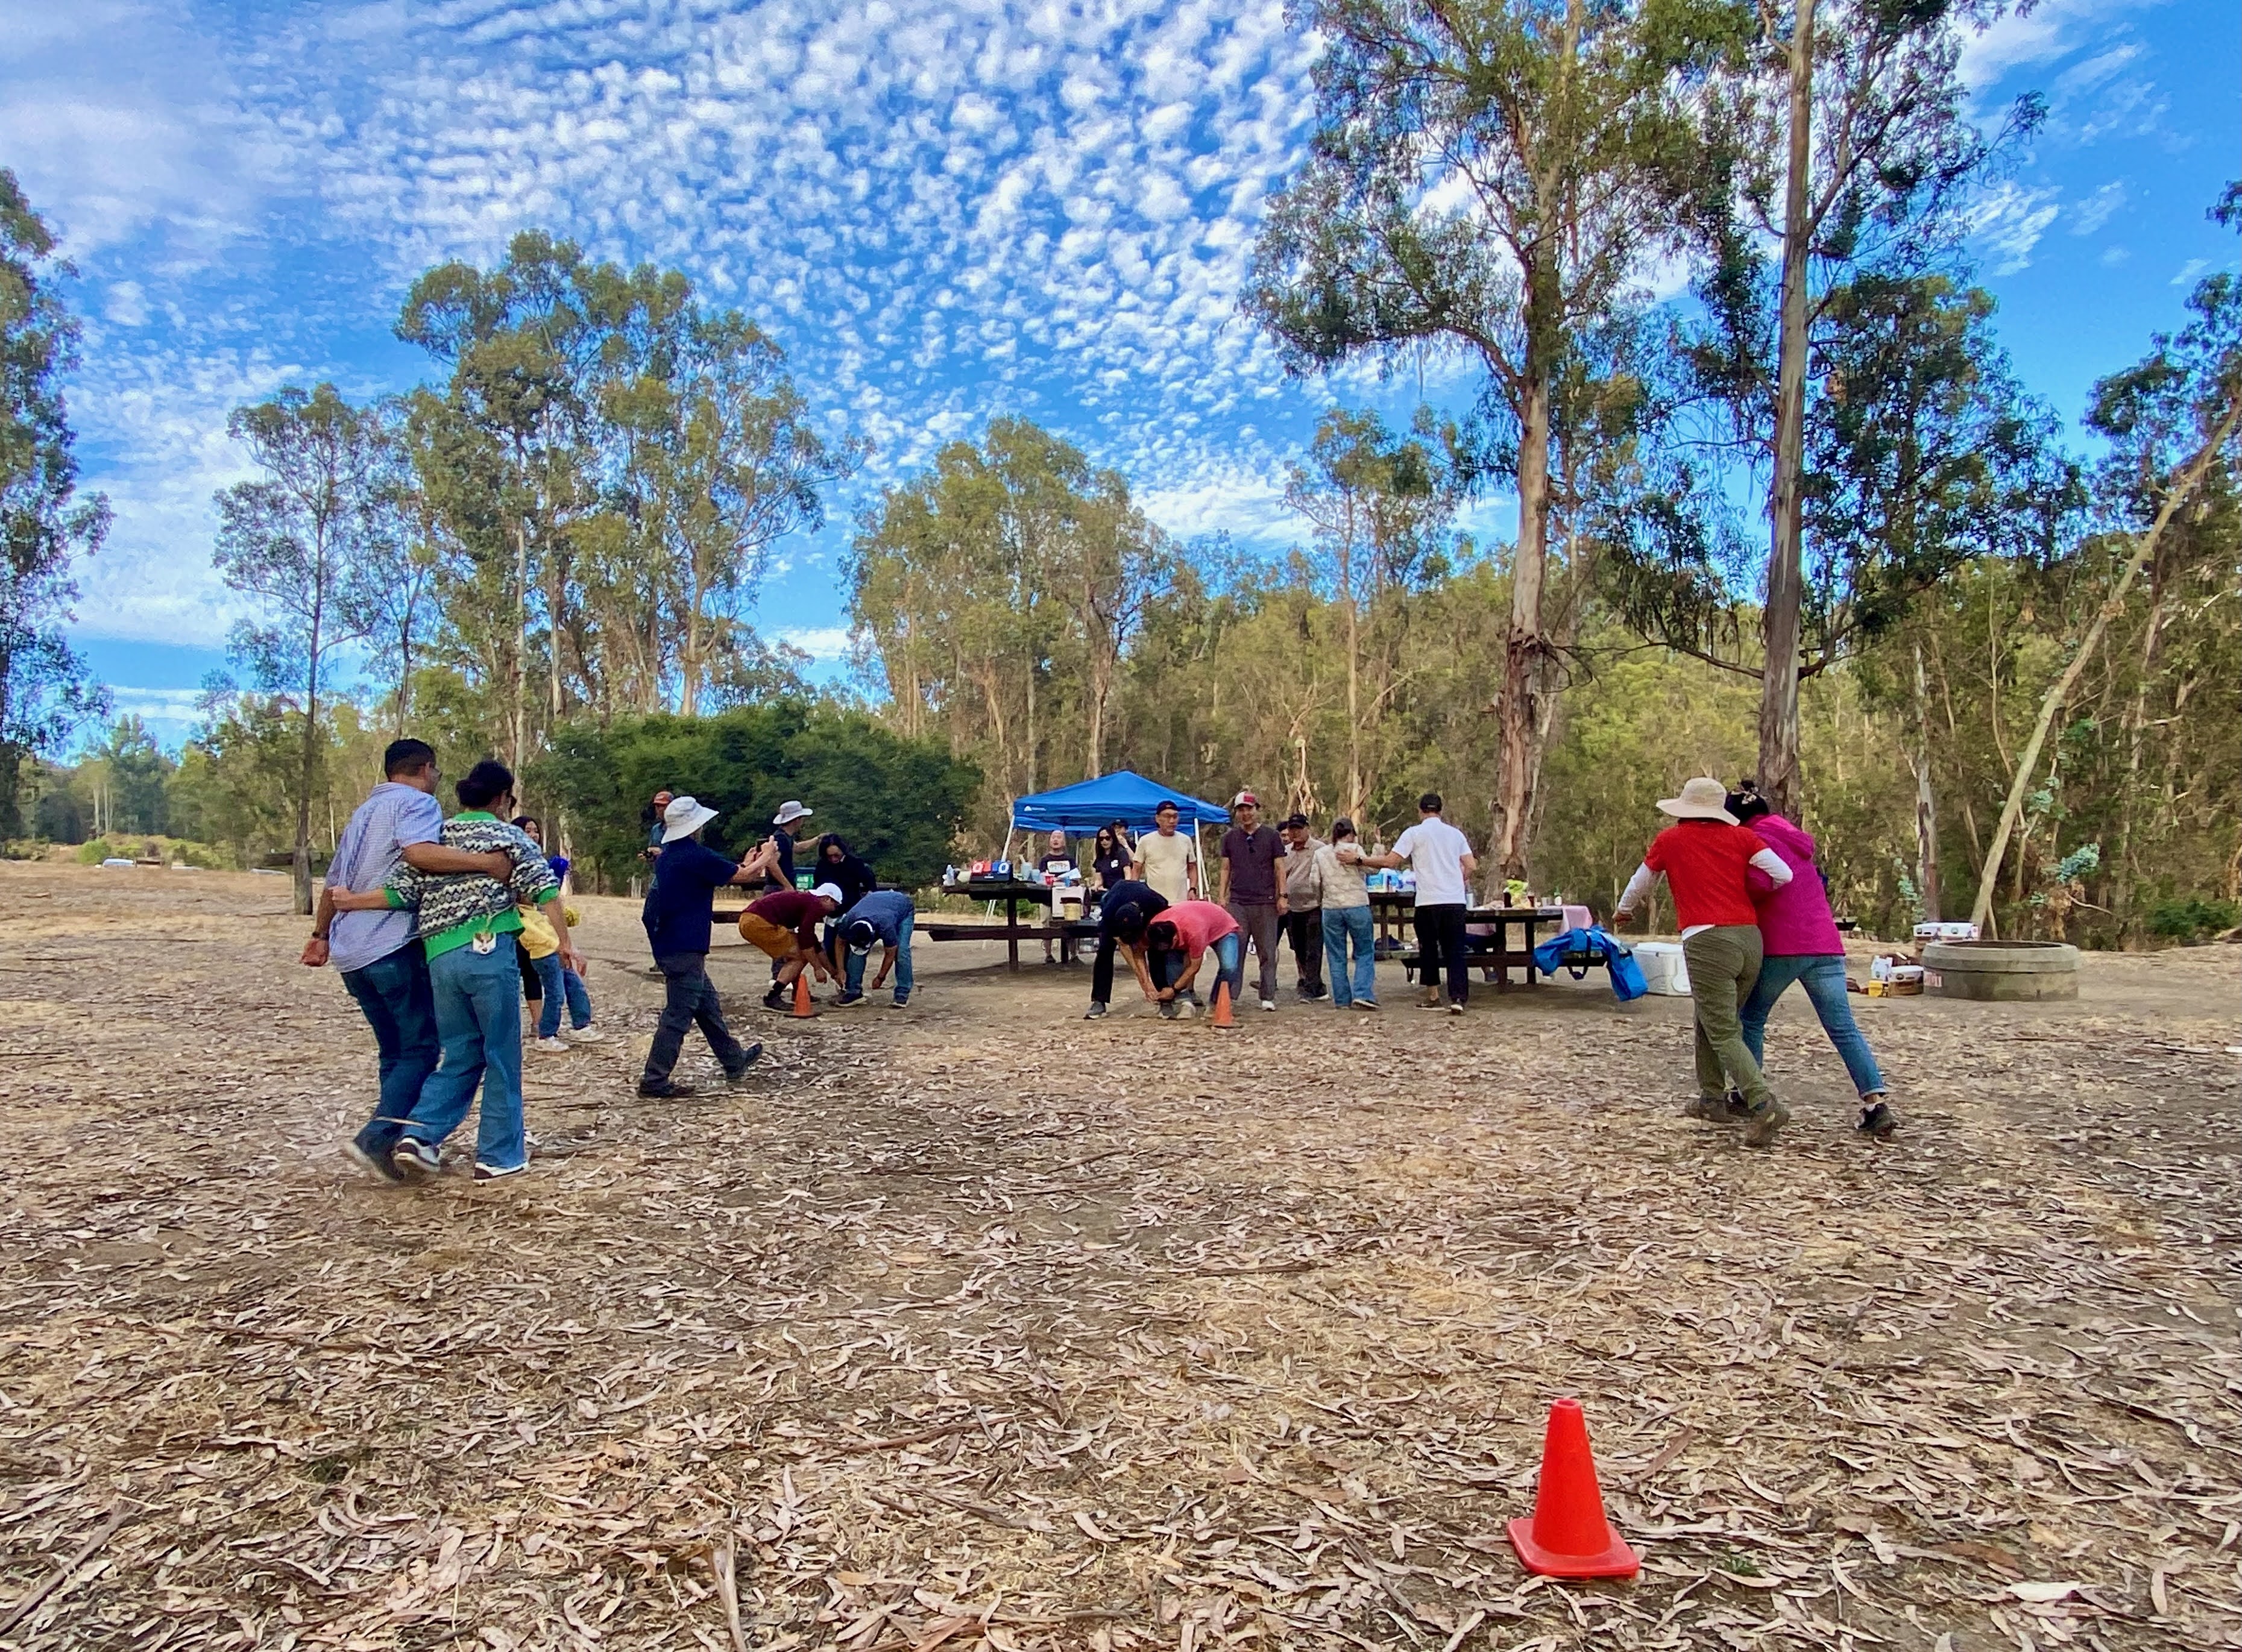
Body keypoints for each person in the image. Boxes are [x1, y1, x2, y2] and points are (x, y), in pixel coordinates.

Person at [327, 760, 561, 1181]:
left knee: (461, 1051)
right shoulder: (508, 835)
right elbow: (544, 888)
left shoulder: (439, 837)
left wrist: (350, 903)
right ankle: (498, 1155)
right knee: (502, 1055)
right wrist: (566, 945)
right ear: (503, 799)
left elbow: (400, 891)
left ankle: (419, 1136)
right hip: (489, 951)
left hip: (439, 957)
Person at [1611, 776, 1796, 1148]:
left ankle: (1762, 1102)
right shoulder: (1744, 838)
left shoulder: (1671, 839)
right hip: (1749, 938)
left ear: (1685, 809)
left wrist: (1624, 910)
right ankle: (1712, 1098)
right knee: (1713, 1018)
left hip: (1707, 939)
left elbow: (1641, 881)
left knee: (1723, 1028)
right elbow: (1783, 874)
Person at [1728, 785, 1898, 1140]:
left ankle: (1749, 1095)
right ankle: (1876, 1103)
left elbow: (1761, 882)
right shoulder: (1794, 840)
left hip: (1783, 945)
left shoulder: (1755, 840)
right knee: (1843, 1027)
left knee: (1752, 1018)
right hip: (1825, 944)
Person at [637, 794, 768, 1099]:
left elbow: (731, 871)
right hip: (685, 947)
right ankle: (655, 1079)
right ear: (695, 826)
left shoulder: (670, 855)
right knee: (678, 1016)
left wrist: (748, 863)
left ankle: (733, 1059)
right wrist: (767, 856)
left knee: (707, 1006)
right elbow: (745, 876)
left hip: (672, 944)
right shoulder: (694, 855)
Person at [1363, 792, 1478, 1014]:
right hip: (1454, 901)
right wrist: (1458, 880)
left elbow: (1391, 861)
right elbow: (1471, 865)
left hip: (1428, 901)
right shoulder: (1455, 834)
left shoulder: (1414, 833)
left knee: (1428, 949)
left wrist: (1360, 861)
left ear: (1420, 810)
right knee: (1456, 950)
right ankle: (1458, 998)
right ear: (1441, 811)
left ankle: (1433, 995)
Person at [513, 815, 599, 1049]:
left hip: (547, 935)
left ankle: (579, 1025)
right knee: (548, 988)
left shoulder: (537, 862)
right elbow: (530, 897)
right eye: (527, 830)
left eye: (535, 831)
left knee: (571, 986)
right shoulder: (513, 864)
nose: (533, 835)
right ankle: (544, 1031)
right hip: (536, 939)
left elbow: (547, 901)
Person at [1217, 791, 1286, 1011]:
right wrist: (1222, 896)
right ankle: (1232, 995)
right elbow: (1226, 868)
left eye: (1249, 809)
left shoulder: (1271, 836)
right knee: (1235, 949)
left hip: (1266, 901)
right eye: (1241, 810)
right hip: (1238, 901)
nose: (1246, 813)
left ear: (1257, 810)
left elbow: (1279, 868)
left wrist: (1282, 895)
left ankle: (1267, 995)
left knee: (1267, 950)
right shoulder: (1229, 838)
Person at [742, 879, 845, 1009]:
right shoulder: (815, 906)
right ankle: (773, 996)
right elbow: (806, 943)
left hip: (751, 919)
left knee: (801, 953)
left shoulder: (807, 901)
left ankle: (797, 992)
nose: (834, 910)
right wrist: (818, 968)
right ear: (827, 899)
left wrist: (833, 973)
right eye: (835, 905)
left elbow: (813, 943)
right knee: (801, 955)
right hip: (759, 923)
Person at [1082, 876, 1170, 1019]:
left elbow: (1139, 950)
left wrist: (1148, 982)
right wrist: (1144, 983)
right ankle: (1099, 1001)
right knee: (1104, 951)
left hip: (1148, 908)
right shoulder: (1110, 913)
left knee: (1157, 948)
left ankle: (1165, 999)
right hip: (1116, 897)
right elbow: (1125, 947)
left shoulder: (1154, 903)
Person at [1144, 900, 1244, 1025]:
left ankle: (1216, 1003)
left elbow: (1194, 966)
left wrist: (1173, 989)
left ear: (1175, 938)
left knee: (1230, 967)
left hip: (1222, 928)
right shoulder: (1155, 925)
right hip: (1192, 920)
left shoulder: (1195, 933)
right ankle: (1184, 1002)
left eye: (1167, 945)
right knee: (1171, 960)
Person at [1314, 818, 1378, 1010]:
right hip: (1357, 904)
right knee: (1365, 950)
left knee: (1336, 954)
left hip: (1331, 907)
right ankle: (1363, 993)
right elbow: (1372, 869)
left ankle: (1342, 999)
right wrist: (1378, 847)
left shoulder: (1320, 853)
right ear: (1352, 834)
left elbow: (1314, 882)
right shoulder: (1355, 850)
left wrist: (1321, 900)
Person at [836, 889, 917, 1008]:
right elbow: (839, 944)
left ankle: (902, 993)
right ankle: (853, 991)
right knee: (856, 954)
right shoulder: (848, 920)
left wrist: (880, 977)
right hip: (875, 907)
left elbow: (890, 953)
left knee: (901, 951)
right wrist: (841, 970)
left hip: (902, 908)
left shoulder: (886, 926)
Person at [1280, 814, 1328, 1000]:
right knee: (1299, 947)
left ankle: (1310, 987)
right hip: (1293, 907)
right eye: (1292, 829)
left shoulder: (1320, 850)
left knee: (1314, 948)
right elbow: (1281, 875)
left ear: (1307, 828)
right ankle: (1316, 985)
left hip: (1315, 905)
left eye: (1299, 828)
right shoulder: (1286, 852)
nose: (1296, 832)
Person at [1131, 799, 1201, 905]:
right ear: (1157, 819)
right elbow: (1136, 869)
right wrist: (1134, 894)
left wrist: (1193, 889)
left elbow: (1192, 867)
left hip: (1181, 902)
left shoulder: (1186, 840)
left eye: (1175, 817)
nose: (1172, 821)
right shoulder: (1146, 841)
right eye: (1167, 817)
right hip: (1154, 902)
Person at [1033, 828, 1077, 964]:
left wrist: (1068, 881)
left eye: (1059, 837)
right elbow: (1040, 879)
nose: (1056, 840)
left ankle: (1074, 955)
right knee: (1046, 924)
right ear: (1049, 841)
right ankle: (1048, 955)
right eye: (1053, 837)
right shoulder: (1044, 860)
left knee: (1071, 925)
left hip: (1067, 898)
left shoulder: (1070, 860)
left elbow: (1076, 879)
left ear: (1064, 842)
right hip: (1047, 898)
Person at [767, 800, 812, 890]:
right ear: (797, 820)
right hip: (778, 888)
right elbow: (771, 863)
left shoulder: (786, 837)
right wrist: (787, 885)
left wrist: (818, 839)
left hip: (779, 887)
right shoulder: (781, 839)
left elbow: (799, 848)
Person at [1089, 823, 1135, 891]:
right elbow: (1099, 879)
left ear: (1113, 838)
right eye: (1101, 839)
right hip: (1107, 891)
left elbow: (1127, 873)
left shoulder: (1121, 852)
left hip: (1121, 890)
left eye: (1108, 838)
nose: (1104, 841)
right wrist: (1096, 886)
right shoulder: (1100, 858)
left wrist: (1125, 889)